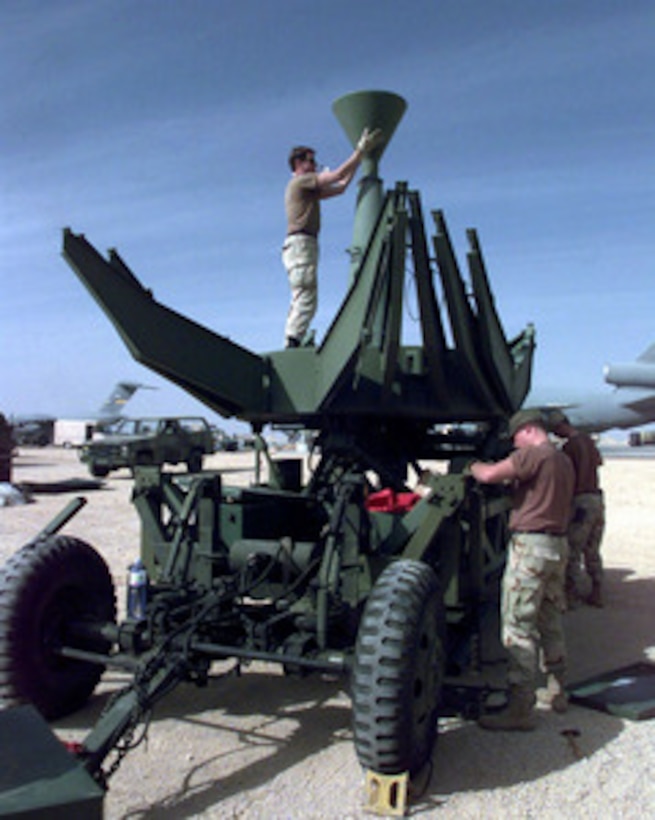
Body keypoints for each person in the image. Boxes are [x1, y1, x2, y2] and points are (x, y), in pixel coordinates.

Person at [469, 408, 575, 730]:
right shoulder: (562, 460)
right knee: (549, 619)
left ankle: (520, 709)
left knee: (518, 626)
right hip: (557, 547)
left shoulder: (534, 455)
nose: (514, 444)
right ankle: (557, 691)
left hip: (530, 550)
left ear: (528, 430)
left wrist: (471, 465)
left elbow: (487, 475)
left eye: (516, 437)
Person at [282, 127, 382, 348]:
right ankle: (292, 344)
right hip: (301, 244)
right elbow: (336, 175)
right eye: (311, 161)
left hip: (301, 245)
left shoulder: (306, 188)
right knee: (306, 297)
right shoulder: (300, 182)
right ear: (299, 164)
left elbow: (341, 186)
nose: (315, 165)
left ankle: (293, 341)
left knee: (303, 297)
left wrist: (360, 159)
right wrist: (360, 151)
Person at [548, 409, 605, 608]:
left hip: (580, 501)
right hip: (596, 499)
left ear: (561, 426)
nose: (555, 434)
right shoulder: (588, 441)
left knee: (572, 550)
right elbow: (598, 463)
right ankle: (597, 591)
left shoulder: (569, 448)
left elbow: (565, 476)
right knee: (592, 549)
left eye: (555, 430)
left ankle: (570, 596)